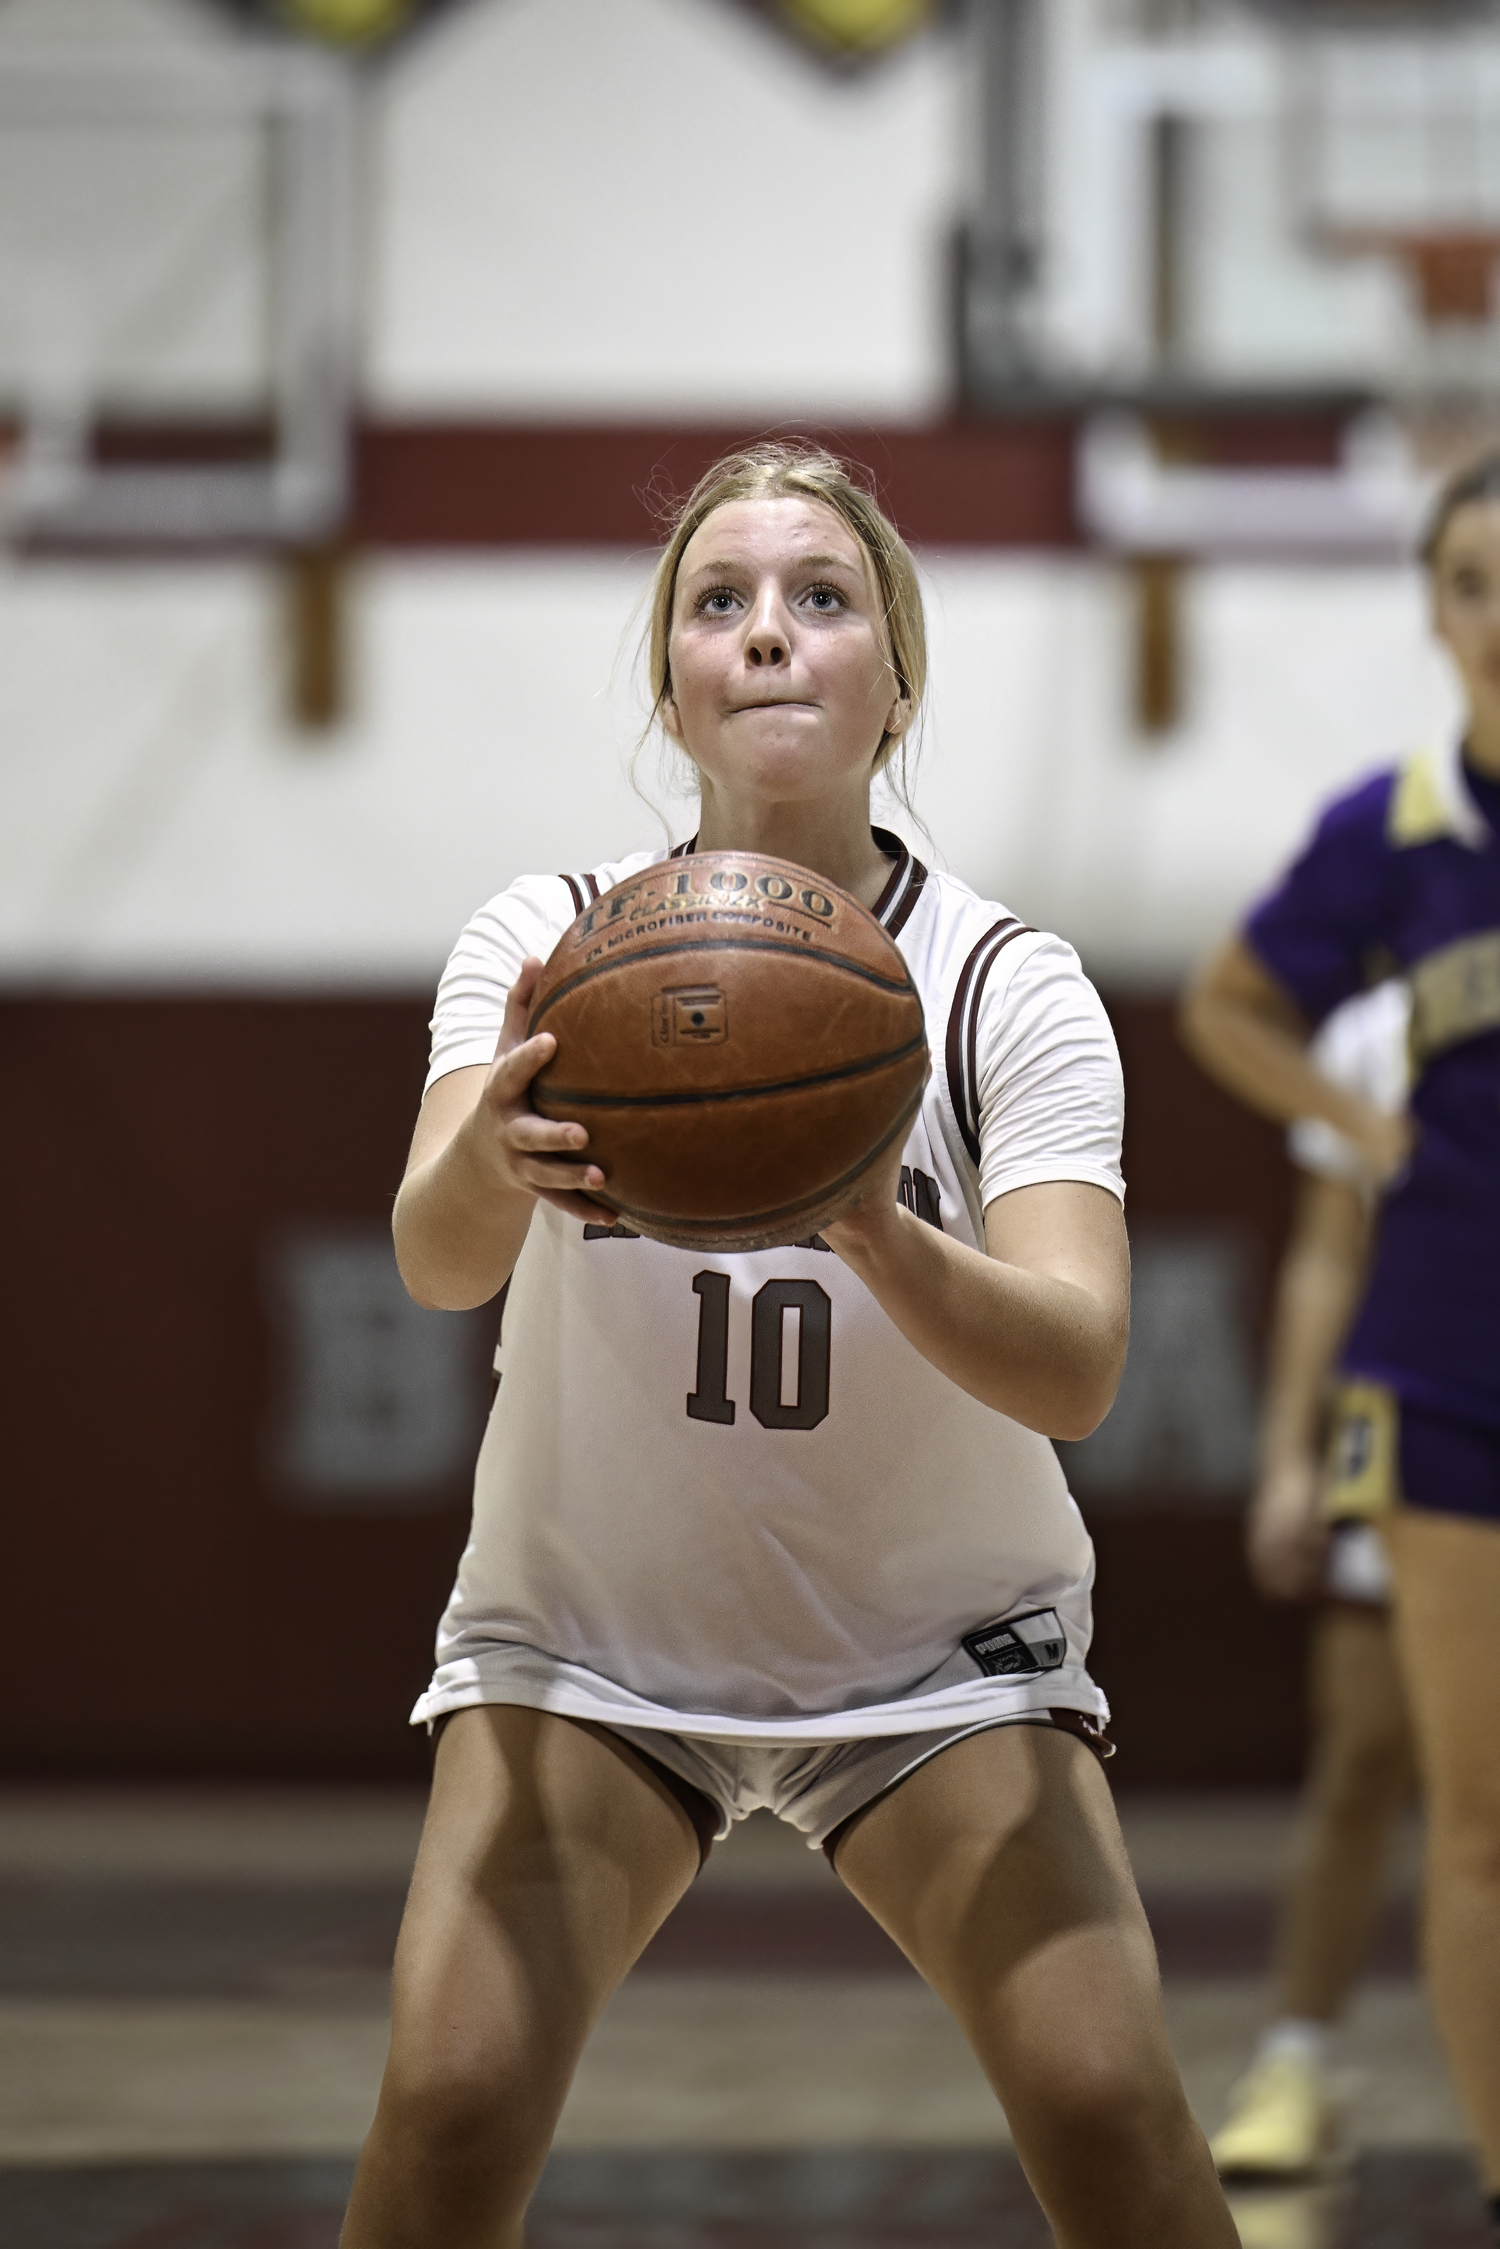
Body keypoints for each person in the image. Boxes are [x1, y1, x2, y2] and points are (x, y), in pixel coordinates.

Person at [339, 443, 1237, 2248]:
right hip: (588, 1643)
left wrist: (863, 1213)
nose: (768, 635)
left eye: (823, 597)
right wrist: (496, 1152)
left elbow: (1074, 1364)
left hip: (931, 1649)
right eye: (719, 601)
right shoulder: (543, 943)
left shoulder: (1004, 979)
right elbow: (436, 1264)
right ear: (671, 676)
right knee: (444, 2115)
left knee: (1108, 2107)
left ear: (898, 679)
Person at [1182, 452, 1500, 2239]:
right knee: (1430, 1786)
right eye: (1472, 578)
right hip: (1444, 1367)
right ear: (1434, 610)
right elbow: (1230, 1004)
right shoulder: (1392, 833)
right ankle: (1327, 2058)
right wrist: (1366, 1129)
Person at [1209, 979, 1418, 2178]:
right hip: (1426, 1420)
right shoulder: (1381, 1028)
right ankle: (1299, 2055)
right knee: (1362, 1753)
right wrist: (1290, 1455)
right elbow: (1327, 1259)